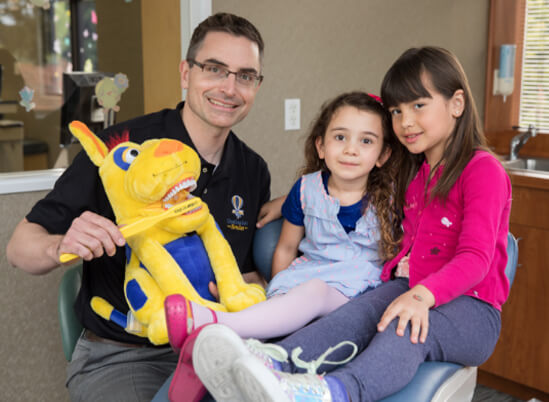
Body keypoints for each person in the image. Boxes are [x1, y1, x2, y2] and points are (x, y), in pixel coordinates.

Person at [188, 46, 513, 402]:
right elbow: (351, 175)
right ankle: (271, 363)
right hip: (415, 287)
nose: (405, 122)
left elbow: (476, 257)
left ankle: (334, 392)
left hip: (472, 309)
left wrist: (420, 294)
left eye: (418, 106)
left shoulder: (482, 170)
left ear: (456, 103)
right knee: (362, 311)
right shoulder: (417, 174)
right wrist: (289, 200)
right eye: (396, 111)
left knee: (402, 325)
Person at [6, 12, 280, 401]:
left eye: (246, 75)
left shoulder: (252, 169)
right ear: (186, 73)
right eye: (215, 69)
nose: (230, 88)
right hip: (123, 356)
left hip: (216, 348)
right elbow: (19, 247)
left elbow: (246, 272)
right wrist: (59, 245)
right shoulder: (121, 150)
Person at [163, 92, 402, 349]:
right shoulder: (305, 190)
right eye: (340, 137)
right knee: (281, 308)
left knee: (315, 292)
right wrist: (278, 291)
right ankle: (216, 351)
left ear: (383, 155)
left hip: (357, 287)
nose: (350, 149)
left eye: (366, 141)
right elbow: (286, 247)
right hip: (309, 273)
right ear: (321, 147)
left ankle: (215, 325)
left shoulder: (392, 197)